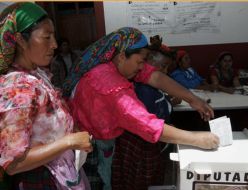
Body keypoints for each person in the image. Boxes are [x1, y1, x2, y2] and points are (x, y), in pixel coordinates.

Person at [63, 27, 219, 190]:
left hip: (100, 140)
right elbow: (147, 124)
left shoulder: (113, 63)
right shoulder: (109, 85)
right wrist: (196, 138)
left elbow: (156, 77)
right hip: (89, 148)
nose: (142, 67)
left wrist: (193, 99)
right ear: (123, 56)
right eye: (140, 61)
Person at [0, 2, 92, 190]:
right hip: (41, 181)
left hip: (60, 173)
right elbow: (14, 163)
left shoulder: (36, 74)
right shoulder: (18, 88)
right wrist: (69, 141)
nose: (55, 45)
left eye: (54, 36)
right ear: (19, 39)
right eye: (46, 37)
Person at [112, 41, 182, 190]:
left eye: (167, 67)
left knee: (149, 180)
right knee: (138, 180)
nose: (165, 71)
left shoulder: (153, 87)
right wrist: (169, 127)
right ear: (147, 63)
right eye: (162, 66)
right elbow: (148, 121)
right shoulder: (143, 90)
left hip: (153, 141)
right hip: (142, 145)